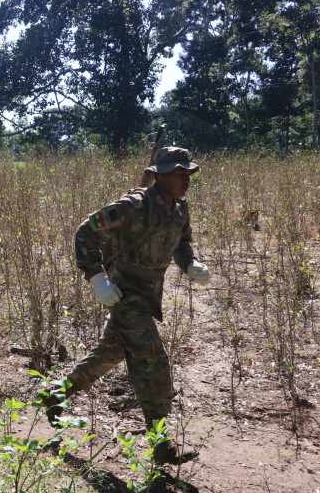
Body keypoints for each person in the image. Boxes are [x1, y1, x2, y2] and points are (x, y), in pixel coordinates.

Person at [46, 146, 211, 465]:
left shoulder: (179, 209)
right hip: (123, 291)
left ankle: (56, 395)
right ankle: (161, 445)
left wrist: (190, 264)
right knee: (153, 361)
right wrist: (96, 277)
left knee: (111, 352)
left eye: (187, 173)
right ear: (160, 175)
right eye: (178, 173)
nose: (185, 180)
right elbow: (85, 231)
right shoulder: (133, 206)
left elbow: (182, 243)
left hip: (149, 292)